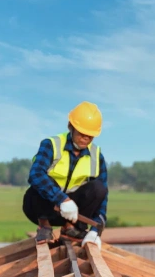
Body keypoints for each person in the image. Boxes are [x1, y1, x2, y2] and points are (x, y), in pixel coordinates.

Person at [23, 101, 108, 247]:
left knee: (99, 188)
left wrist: (95, 231)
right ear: (70, 126)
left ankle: (71, 229)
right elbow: (35, 174)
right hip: (44, 208)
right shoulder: (51, 145)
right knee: (41, 182)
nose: (85, 138)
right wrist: (62, 199)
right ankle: (44, 227)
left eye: (90, 135)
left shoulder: (97, 156)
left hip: (74, 215)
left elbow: (102, 197)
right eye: (82, 133)